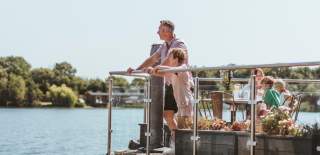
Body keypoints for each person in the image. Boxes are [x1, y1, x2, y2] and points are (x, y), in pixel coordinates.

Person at [126, 20, 189, 133]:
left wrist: (154, 70)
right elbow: (153, 58)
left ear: (166, 31)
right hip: (170, 84)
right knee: (168, 115)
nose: (157, 32)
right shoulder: (164, 45)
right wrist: (137, 70)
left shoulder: (179, 44)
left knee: (184, 118)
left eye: (159, 30)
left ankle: (185, 144)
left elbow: (169, 63)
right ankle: (176, 141)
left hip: (181, 85)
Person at [150, 48, 194, 130]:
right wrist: (151, 70)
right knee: (182, 129)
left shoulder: (183, 68)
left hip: (186, 103)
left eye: (170, 58)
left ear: (176, 59)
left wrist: (159, 66)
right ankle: (176, 140)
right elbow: (163, 73)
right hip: (182, 103)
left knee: (184, 128)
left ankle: (180, 141)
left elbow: (169, 70)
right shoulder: (174, 71)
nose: (169, 60)